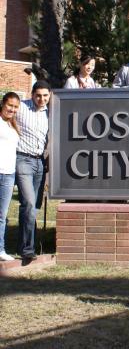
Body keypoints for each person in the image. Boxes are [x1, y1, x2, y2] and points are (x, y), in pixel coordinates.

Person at [16, 80, 51, 261]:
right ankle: (27, 249)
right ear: (32, 94)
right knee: (28, 203)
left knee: (33, 207)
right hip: (22, 159)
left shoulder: (50, 112)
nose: (42, 99)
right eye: (38, 95)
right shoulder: (21, 107)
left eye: (45, 95)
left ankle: (24, 243)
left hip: (40, 163)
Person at [0, 92, 20, 261]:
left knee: (2, 214)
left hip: (8, 174)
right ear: (3, 104)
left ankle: (0, 250)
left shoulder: (13, 126)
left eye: (15, 107)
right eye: (10, 105)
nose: (12, 109)